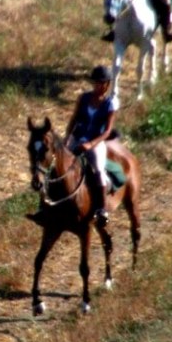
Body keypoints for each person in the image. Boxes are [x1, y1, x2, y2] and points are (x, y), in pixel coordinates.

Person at [64, 65, 120, 226]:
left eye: (101, 83)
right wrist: (67, 137)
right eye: (95, 83)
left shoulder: (110, 104)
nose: (97, 86)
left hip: (96, 141)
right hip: (78, 136)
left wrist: (91, 144)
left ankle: (102, 209)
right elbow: (74, 119)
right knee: (58, 161)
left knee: (98, 168)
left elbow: (107, 131)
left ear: (107, 84)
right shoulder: (83, 98)